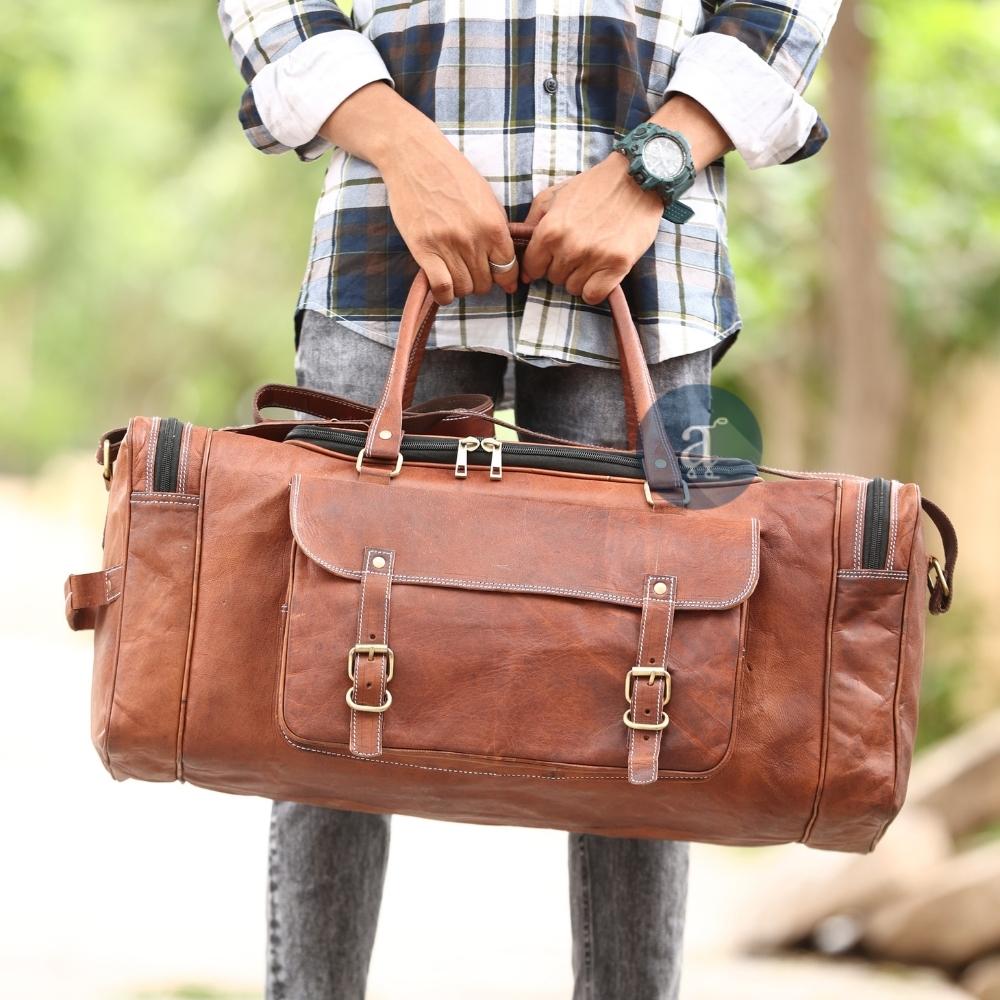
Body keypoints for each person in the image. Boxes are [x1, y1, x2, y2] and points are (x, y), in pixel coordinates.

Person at [218, 2, 840, 996]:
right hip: (386, 234)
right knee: (328, 667)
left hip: (650, 250)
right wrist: (402, 142)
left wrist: (654, 166)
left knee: (651, 690)